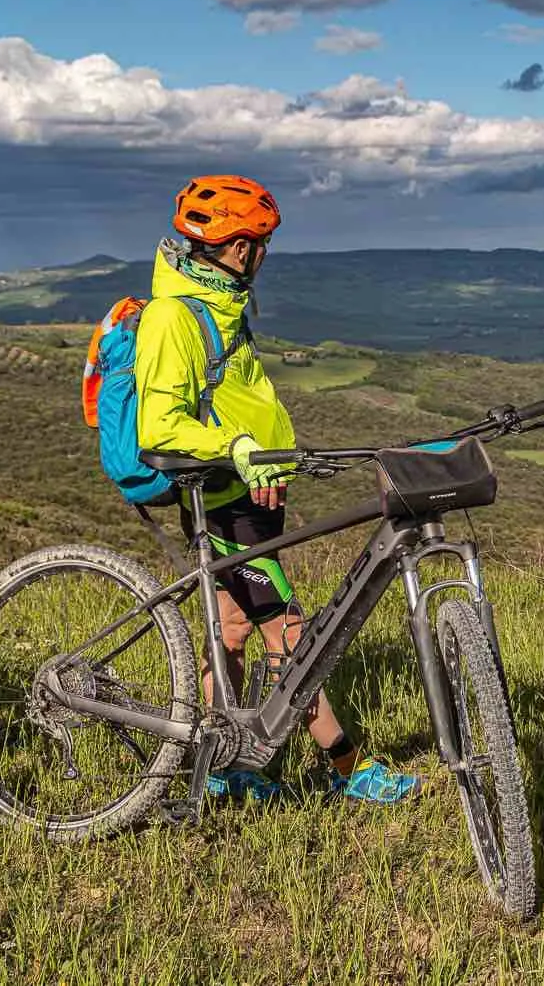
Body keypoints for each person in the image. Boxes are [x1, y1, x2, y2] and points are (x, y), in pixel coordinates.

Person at [134, 173, 421, 804]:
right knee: (291, 635)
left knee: (232, 632)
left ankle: (218, 768)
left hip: (248, 496)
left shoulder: (218, 306)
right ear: (238, 247)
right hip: (223, 500)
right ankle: (349, 770)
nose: (264, 256)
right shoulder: (173, 318)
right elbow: (162, 425)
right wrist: (238, 450)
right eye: (261, 243)